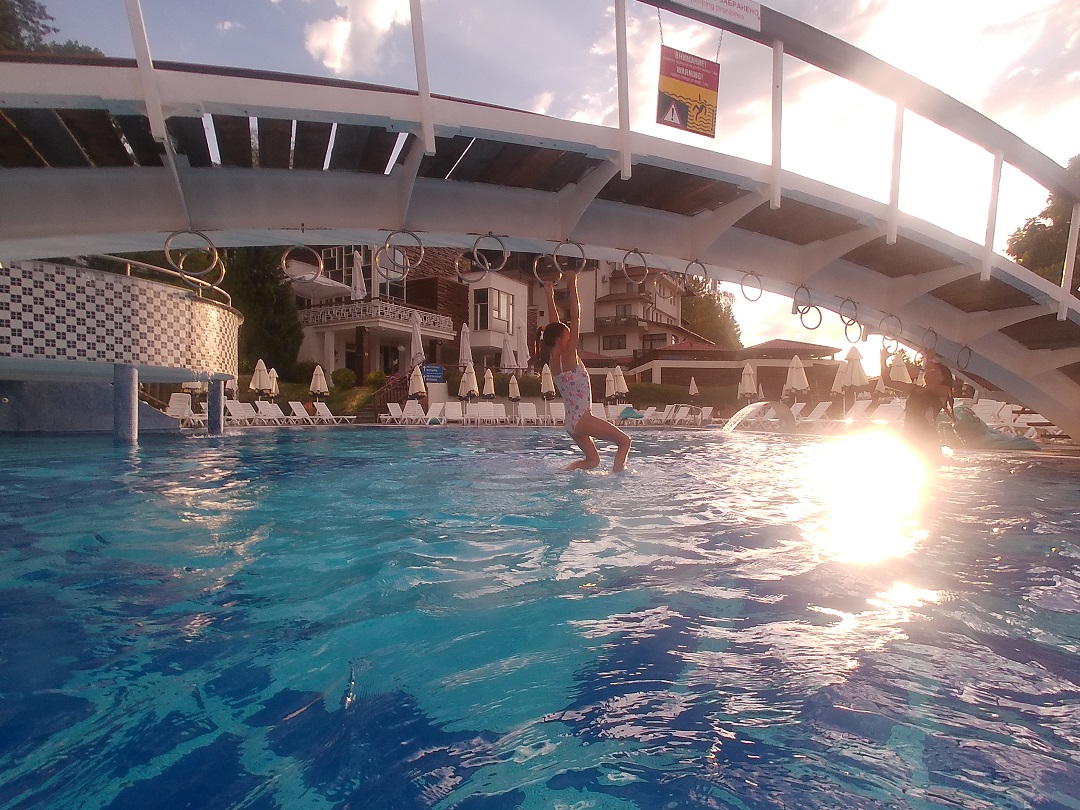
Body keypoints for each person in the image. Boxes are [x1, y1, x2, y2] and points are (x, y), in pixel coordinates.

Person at [535, 274, 632, 472]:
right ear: (562, 340)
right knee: (624, 442)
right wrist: (573, 285)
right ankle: (618, 481)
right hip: (582, 419)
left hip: (571, 423)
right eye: (567, 334)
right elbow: (575, 315)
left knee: (592, 461)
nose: (571, 335)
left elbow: (555, 326)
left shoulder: (554, 361)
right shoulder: (569, 356)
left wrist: (549, 295)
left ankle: (563, 472)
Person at [879, 347, 955, 459]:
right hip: (909, 438)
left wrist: (929, 359)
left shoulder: (943, 391)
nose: (929, 371)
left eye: (934, 370)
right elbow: (887, 381)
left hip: (929, 442)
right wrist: (883, 360)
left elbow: (932, 386)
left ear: (942, 377)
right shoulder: (914, 389)